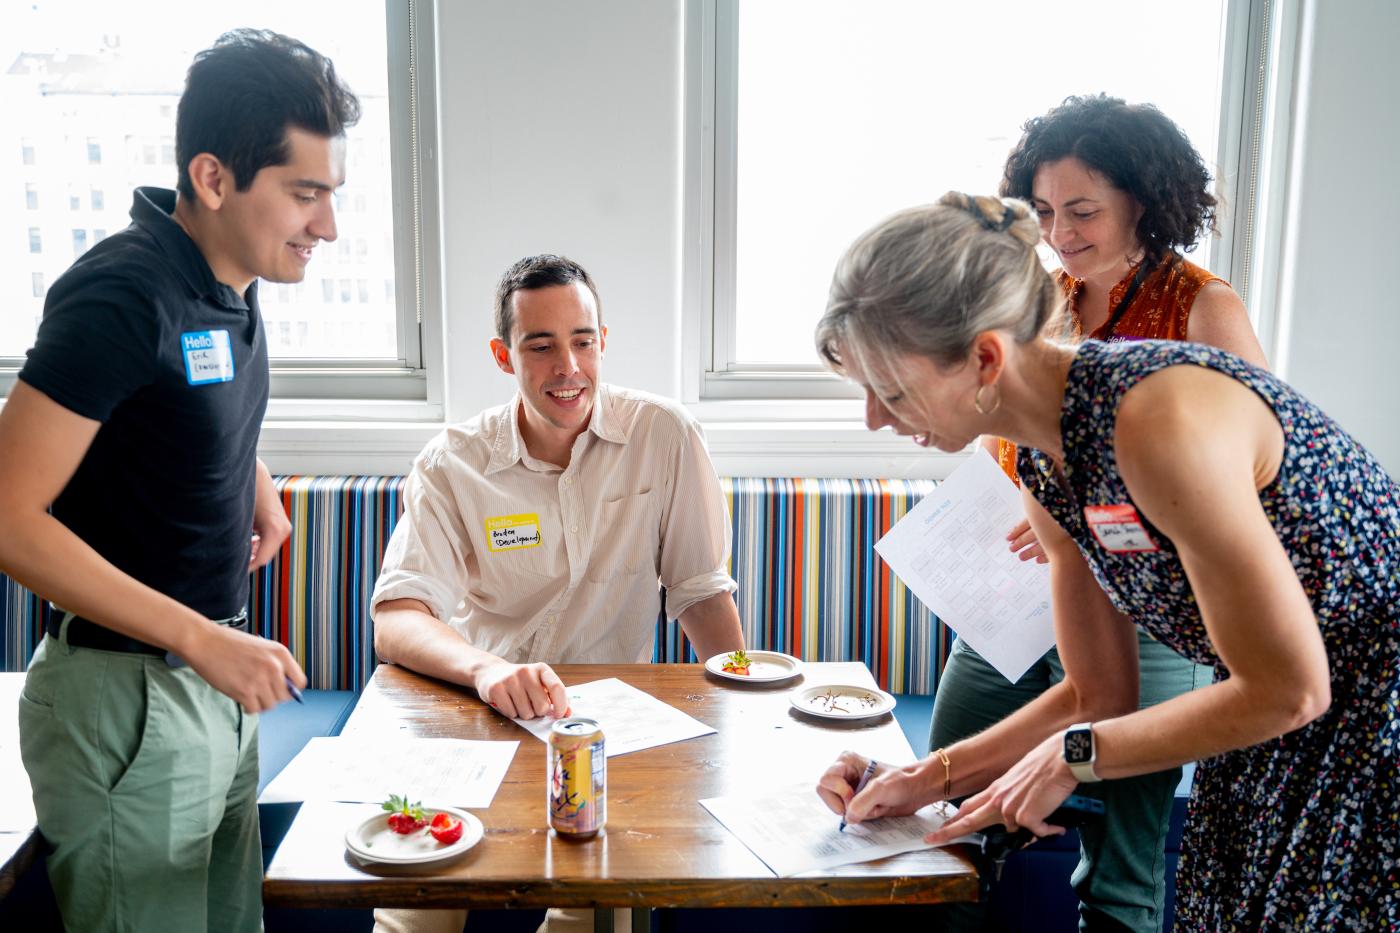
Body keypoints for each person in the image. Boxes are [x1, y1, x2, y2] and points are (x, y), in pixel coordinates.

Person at [814, 192, 1398, 931]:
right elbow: (1097, 692)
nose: (874, 418)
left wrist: (1072, 755)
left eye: (891, 390)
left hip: (1372, 719)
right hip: (1278, 730)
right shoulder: (1044, 464)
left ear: (985, 358)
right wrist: (921, 779)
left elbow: (1290, 687)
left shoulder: (1158, 420)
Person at [0, 30, 359, 932]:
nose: (326, 226)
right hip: (128, 693)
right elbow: (8, 518)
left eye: (331, 194)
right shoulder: (122, 293)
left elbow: (164, 402)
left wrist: (249, 473)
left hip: (209, 685)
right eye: (305, 194)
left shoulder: (229, 276)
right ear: (213, 178)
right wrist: (201, 638)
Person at [927, 95, 1270, 932]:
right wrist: (1032, 508)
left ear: (1143, 201)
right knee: (947, 810)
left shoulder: (1203, 308)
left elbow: (1250, 483)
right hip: (1022, 594)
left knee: (1120, 863)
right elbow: (1009, 427)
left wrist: (1085, 519)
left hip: (1152, 609)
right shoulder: (1040, 299)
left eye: (1082, 211)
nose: (1060, 232)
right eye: (1044, 211)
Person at [371, 254, 746, 933]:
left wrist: (741, 721)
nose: (567, 367)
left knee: (597, 914)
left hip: (610, 730)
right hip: (477, 715)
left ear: (603, 342)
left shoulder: (664, 435)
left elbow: (700, 593)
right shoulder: (452, 462)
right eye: (540, 346)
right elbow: (398, 617)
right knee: (414, 908)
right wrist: (488, 671)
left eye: (582, 341)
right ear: (503, 355)